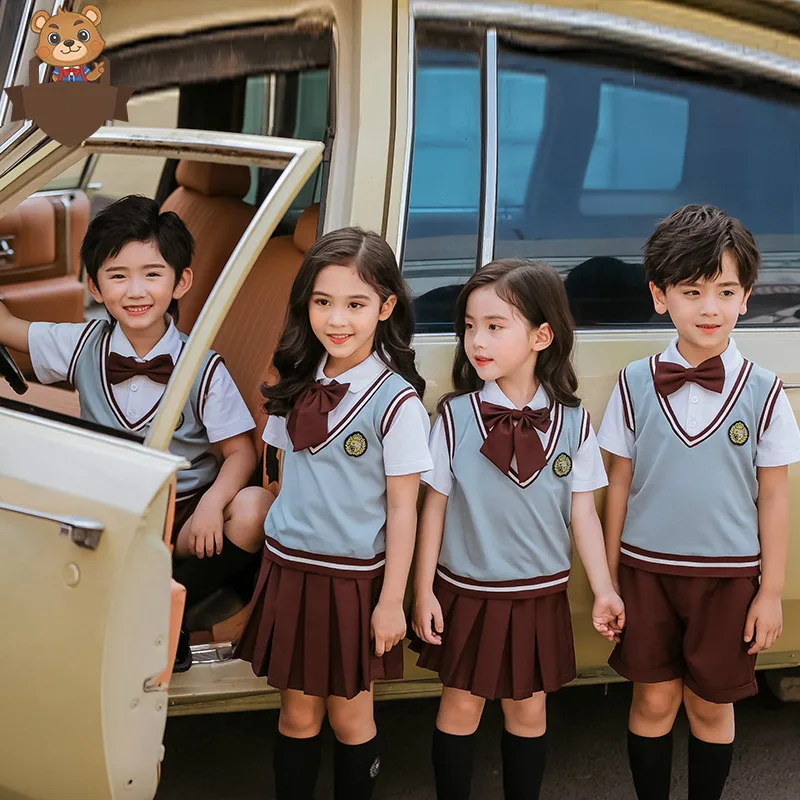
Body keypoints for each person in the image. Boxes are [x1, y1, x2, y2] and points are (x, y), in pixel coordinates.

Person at [0, 195, 272, 669]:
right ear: (95, 286)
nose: (135, 290)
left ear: (181, 281)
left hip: (183, 510)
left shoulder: (202, 367)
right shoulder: (81, 342)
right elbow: (11, 328)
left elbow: (241, 453)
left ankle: (172, 612)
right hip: (111, 502)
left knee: (253, 509)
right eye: (117, 275)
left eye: (152, 274)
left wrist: (210, 507)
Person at [598, 205, 800, 800]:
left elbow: (774, 496)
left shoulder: (764, 392)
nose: (708, 308)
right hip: (645, 573)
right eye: (691, 291)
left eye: (725, 291)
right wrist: (609, 580)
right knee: (653, 699)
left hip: (728, 578)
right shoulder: (635, 383)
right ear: (661, 297)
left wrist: (769, 591)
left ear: (746, 297)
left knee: (712, 707)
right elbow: (617, 485)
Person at [412, 259, 625, 800]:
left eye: (494, 326)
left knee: (529, 710)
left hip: (537, 593)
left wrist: (604, 588)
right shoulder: (455, 418)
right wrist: (421, 592)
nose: (475, 341)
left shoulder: (575, 423)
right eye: (468, 327)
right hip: (467, 590)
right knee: (460, 704)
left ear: (541, 335)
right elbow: (432, 508)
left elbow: (583, 513)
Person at [234, 227, 433, 800]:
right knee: (296, 716)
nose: (337, 319)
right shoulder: (293, 381)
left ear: (386, 307)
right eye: (323, 302)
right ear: (306, 305)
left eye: (356, 304)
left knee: (350, 717)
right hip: (290, 569)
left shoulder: (396, 403)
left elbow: (403, 509)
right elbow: (276, 470)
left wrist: (392, 601)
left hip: (351, 581)